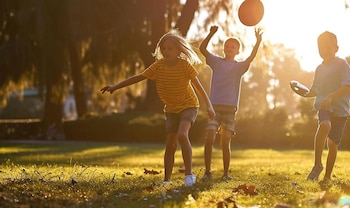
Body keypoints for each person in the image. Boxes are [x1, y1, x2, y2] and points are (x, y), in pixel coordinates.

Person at [101, 29, 215, 187]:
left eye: (170, 48)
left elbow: (200, 88)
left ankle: (189, 176)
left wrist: (209, 106)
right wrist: (115, 86)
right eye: (163, 48)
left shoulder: (184, 66)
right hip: (171, 110)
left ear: (178, 50)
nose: (166, 51)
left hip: (189, 106)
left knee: (182, 135)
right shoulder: (158, 66)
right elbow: (138, 77)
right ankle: (166, 180)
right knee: (170, 145)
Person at [199, 26, 263, 180]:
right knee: (209, 138)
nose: (229, 48)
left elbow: (251, 57)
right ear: (223, 49)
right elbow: (202, 49)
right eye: (227, 46)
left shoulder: (239, 67)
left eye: (233, 46)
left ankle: (226, 174)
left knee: (225, 142)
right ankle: (207, 172)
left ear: (237, 51)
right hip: (214, 107)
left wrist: (258, 42)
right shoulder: (215, 61)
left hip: (230, 109)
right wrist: (211, 33)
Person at [301, 31, 350, 181]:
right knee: (324, 125)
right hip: (324, 105)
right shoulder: (319, 69)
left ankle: (327, 177)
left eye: (327, 47)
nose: (324, 50)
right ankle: (317, 164)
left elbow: (347, 87)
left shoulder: (343, 65)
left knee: (332, 143)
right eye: (320, 48)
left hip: (341, 110)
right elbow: (314, 90)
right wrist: (303, 92)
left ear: (336, 48)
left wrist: (331, 96)